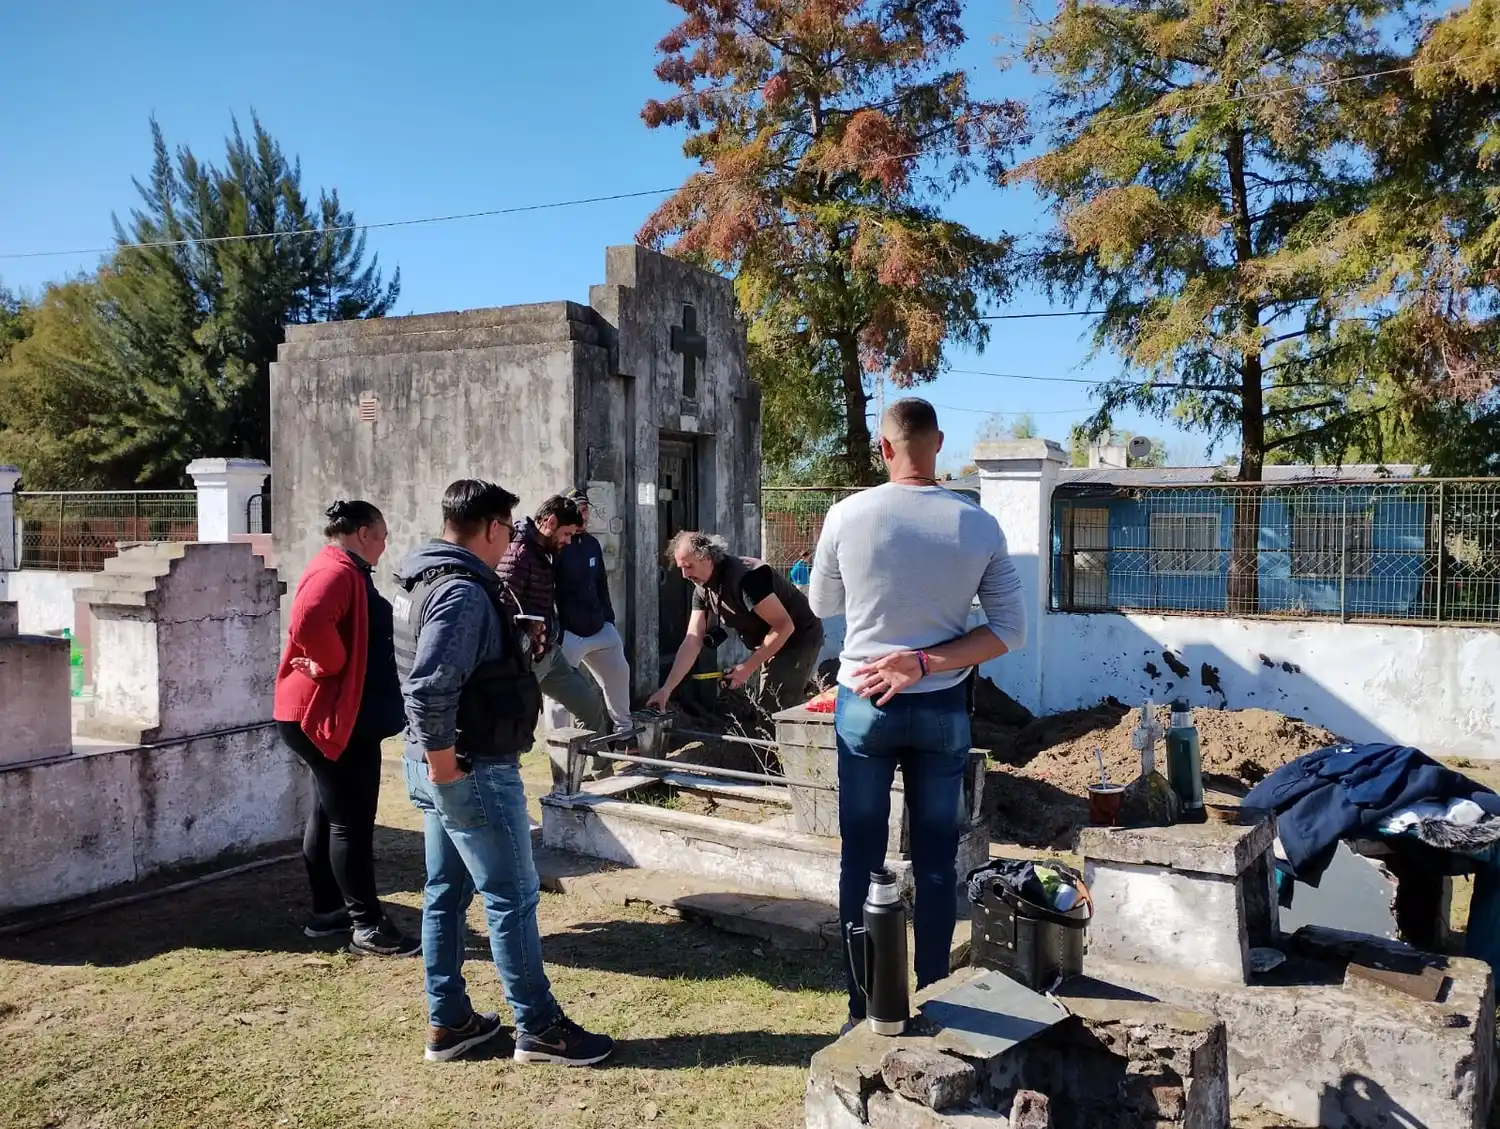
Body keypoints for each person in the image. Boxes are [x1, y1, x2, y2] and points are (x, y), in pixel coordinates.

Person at [808, 398, 1026, 1031]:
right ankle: (931, 995)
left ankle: (864, 1007)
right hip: (940, 708)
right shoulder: (976, 525)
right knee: (935, 862)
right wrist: (926, 662)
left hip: (864, 704)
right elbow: (1009, 632)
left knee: (861, 858)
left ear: (885, 449)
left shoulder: (849, 514)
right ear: (937, 446)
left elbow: (823, 604)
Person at [394, 479, 614, 1066]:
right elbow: (429, 688)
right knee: (512, 896)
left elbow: (441, 670)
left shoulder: (420, 581)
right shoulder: (463, 592)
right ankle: (539, 1027)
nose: (509, 541)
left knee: (446, 892)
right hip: (469, 770)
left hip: (435, 762)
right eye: (506, 530)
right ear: (492, 528)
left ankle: (450, 1022)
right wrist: (450, 776)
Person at [272, 500, 418, 957]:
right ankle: (367, 925)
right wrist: (330, 662)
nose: (385, 542)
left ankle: (329, 911)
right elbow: (309, 619)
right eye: (382, 534)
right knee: (351, 823)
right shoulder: (335, 572)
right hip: (330, 716)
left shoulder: (341, 568)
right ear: (361, 534)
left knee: (329, 814)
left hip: (329, 714)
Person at [646, 531, 824, 714]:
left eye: (689, 566)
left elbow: (784, 626)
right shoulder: (702, 589)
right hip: (773, 640)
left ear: (707, 558)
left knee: (775, 709)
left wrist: (747, 667)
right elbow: (692, 640)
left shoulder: (747, 579)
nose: (684, 574)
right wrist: (666, 690)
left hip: (799, 638)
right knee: (768, 706)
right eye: (681, 568)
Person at [497, 493, 612, 739]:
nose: (569, 541)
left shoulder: (544, 550)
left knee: (589, 704)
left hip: (550, 653)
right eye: (567, 534)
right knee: (514, 731)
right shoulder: (519, 554)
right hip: (525, 661)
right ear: (550, 523)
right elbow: (502, 608)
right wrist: (522, 648)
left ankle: (599, 773)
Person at [548, 487, 632, 737]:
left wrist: (609, 621)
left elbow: (601, 585)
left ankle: (625, 735)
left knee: (618, 673)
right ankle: (560, 746)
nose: (584, 516)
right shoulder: (558, 545)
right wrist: (559, 632)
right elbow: (548, 590)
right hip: (569, 633)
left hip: (599, 628)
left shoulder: (592, 544)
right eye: (579, 510)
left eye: (586, 510)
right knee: (559, 695)